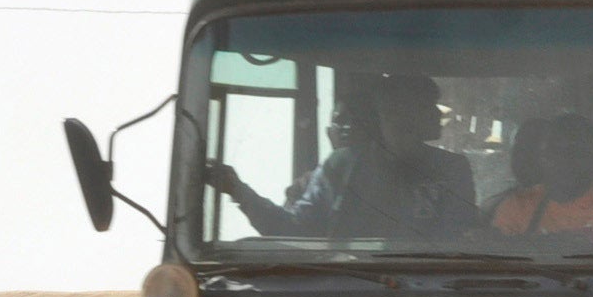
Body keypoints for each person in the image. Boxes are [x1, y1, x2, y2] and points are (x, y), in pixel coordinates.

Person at [204, 73, 479, 242]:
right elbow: (296, 232)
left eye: (425, 108)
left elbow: (454, 246)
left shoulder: (452, 170)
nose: (435, 115)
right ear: (385, 116)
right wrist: (239, 191)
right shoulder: (340, 167)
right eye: (395, 111)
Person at [487, 112, 593, 242]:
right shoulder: (517, 207)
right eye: (556, 150)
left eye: (576, 150)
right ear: (542, 156)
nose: (565, 159)